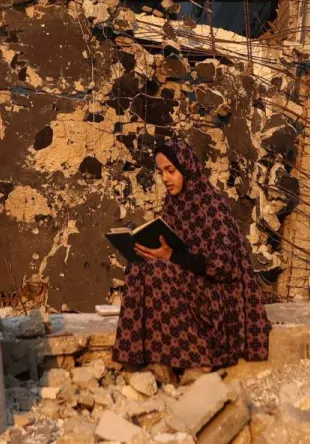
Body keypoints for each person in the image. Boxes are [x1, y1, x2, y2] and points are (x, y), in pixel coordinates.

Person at [112, 138, 271, 376]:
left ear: (187, 169)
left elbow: (225, 265)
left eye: (171, 170)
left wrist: (172, 257)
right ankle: (151, 358)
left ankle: (200, 359)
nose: (165, 178)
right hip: (188, 280)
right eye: (161, 172)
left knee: (160, 271)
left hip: (218, 290)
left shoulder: (212, 206)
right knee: (139, 268)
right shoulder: (174, 206)